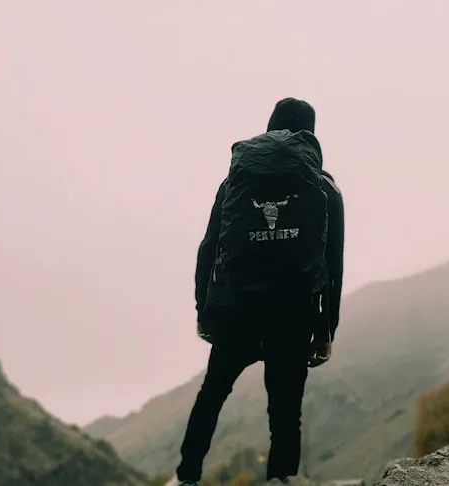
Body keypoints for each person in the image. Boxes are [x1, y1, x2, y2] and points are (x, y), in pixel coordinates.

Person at [174, 97, 346, 485]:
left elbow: (209, 247)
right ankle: (281, 480)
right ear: (310, 133)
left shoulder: (235, 182)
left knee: (212, 395)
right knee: (286, 413)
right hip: (294, 315)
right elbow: (332, 267)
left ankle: (186, 477)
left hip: (238, 310)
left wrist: (205, 308)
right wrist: (326, 331)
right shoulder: (324, 190)